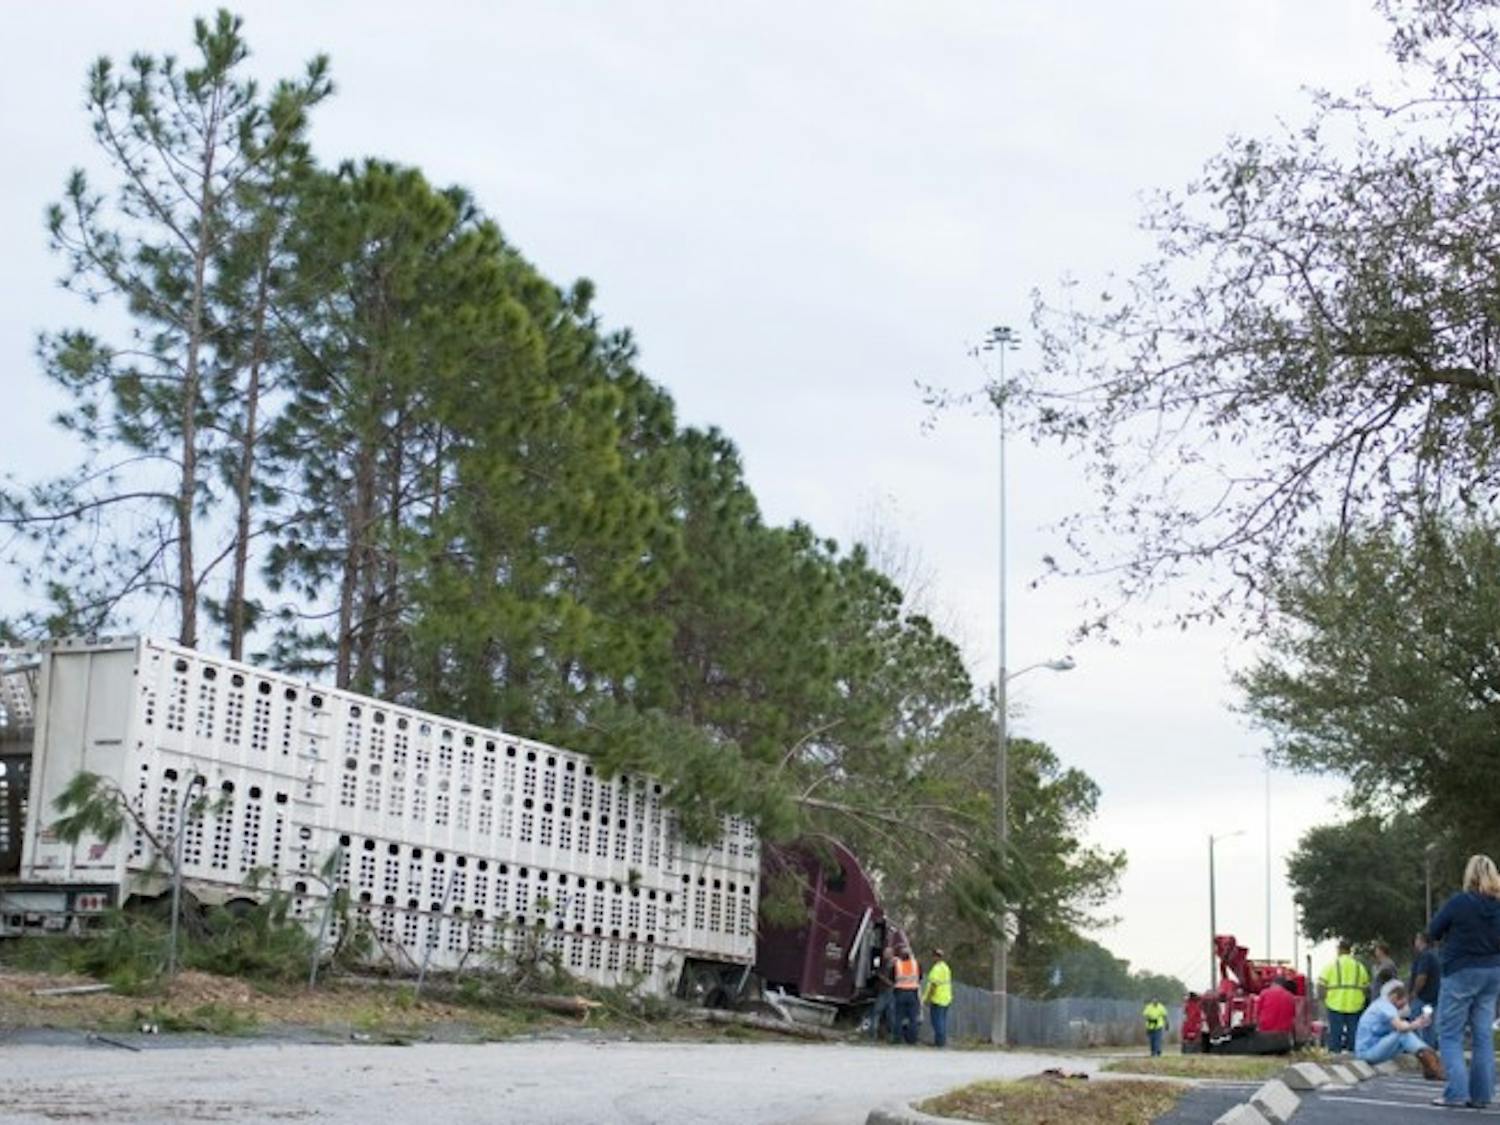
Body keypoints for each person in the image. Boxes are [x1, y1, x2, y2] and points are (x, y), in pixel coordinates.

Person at [1428, 854, 1500, 1110]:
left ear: (1469, 875)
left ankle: (1456, 1093)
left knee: (1449, 1033)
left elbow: (1433, 930)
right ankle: (1481, 1096)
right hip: (1493, 972)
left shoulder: (1460, 902)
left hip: (1460, 970)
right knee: (1482, 1035)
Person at [1355, 979, 1443, 1078]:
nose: (1403, 1007)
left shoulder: (1379, 1004)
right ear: (1395, 997)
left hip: (1371, 1048)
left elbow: (1400, 1026)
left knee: (1404, 1035)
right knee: (1402, 1034)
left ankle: (1427, 1059)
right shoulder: (1386, 1006)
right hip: (1367, 1052)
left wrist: (1415, 1023)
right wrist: (1416, 1024)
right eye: (1403, 1003)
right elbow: (1401, 1027)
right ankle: (1429, 1059)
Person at [1318, 940, 1370, 1053]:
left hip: (1335, 1003)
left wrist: (1323, 999)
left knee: (1336, 1032)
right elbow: (1366, 987)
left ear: (1339, 950)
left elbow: (1321, 985)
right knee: (1354, 1032)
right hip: (1355, 1004)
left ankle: (1335, 1054)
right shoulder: (1359, 967)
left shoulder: (1331, 965)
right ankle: (1354, 1053)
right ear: (1349, 950)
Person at [1410, 931, 1442, 1049]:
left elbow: (1421, 977)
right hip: (1433, 997)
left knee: (1414, 1022)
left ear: (1422, 941)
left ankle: (1416, 1048)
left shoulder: (1425, 956)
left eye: (1417, 939)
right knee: (1429, 1025)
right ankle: (1430, 1048)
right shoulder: (1435, 955)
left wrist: (1414, 992)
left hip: (1423, 997)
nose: (1415, 942)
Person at [1254, 977, 1298, 1053]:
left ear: (1273, 984)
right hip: (1282, 1036)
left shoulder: (1264, 993)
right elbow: (1292, 1016)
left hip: (1265, 1033)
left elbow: (1257, 1013)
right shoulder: (1290, 996)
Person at [921, 948, 953, 1048]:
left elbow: (933, 986)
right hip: (946, 998)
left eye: (934, 956)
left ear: (935, 957)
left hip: (937, 998)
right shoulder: (946, 968)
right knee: (942, 1021)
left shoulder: (936, 969)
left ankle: (939, 1042)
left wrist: (927, 999)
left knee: (937, 1021)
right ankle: (941, 1041)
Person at [892, 942, 921, 1045]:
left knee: (898, 1017)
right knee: (913, 1018)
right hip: (913, 993)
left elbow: (892, 977)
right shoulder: (916, 964)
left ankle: (897, 1039)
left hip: (900, 993)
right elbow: (920, 977)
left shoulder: (897, 964)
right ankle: (912, 1040)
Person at [869, 945, 896, 1043]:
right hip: (886, 991)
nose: (884, 954)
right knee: (890, 1014)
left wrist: (881, 977)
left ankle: (873, 1035)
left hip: (887, 991)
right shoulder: (886, 964)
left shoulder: (892, 965)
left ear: (891, 954)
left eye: (886, 953)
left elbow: (892, 982)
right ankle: (891, 1036)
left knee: (877, 1012)